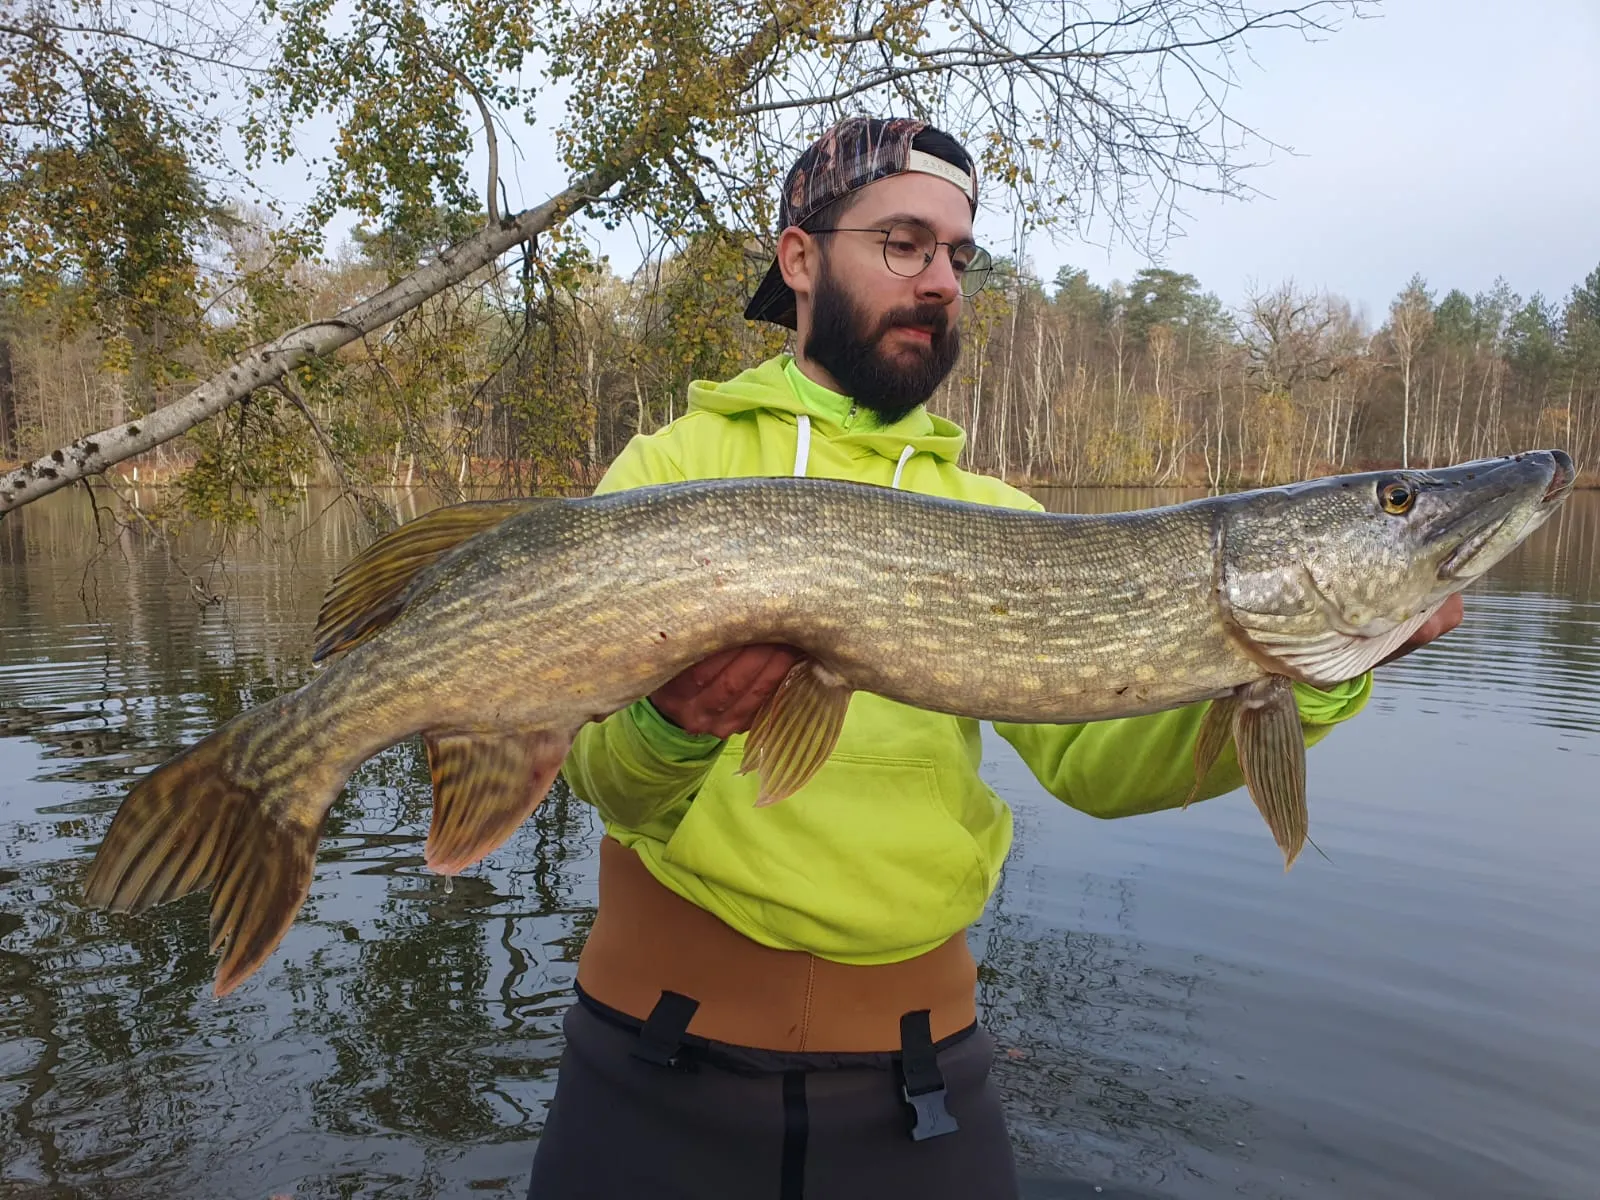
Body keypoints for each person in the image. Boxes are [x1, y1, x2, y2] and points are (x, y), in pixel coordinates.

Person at [525, 116, 1460, 1200]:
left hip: (918, 1089)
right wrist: (671, 725)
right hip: (654, 1063)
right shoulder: (671, 470)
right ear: (799, 258)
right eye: (904, 244)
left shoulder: (1000, 518)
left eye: (959, 257)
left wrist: (1323, 672)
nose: (940, 282)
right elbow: (607, 784)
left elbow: (1103, 774)